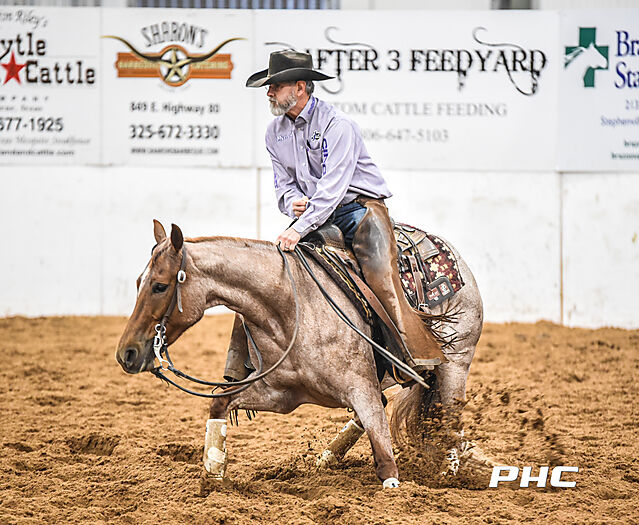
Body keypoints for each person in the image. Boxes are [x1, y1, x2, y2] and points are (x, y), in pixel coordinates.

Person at [223, 50, 444, 382]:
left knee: (380, 273)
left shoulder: (338, 125)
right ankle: (241, 368)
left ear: (300, 87)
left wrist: (299, 226)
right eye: (270, 86)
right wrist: (293, 202)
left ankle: (409, 354)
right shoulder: (274, 133)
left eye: (276, 86)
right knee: (267, 277)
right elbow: (283, 185)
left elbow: (334, 188)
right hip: (316, 213)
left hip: (360, 210)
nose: (269, 92)